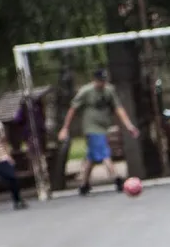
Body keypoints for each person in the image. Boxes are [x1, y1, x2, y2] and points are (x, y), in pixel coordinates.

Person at [57, 68, 140, 196]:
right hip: (91, 128)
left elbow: (118, 108)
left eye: (104, 81)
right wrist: (65, 128)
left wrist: (129, 125)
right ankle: (116, 178)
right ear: (94, 80)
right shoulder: (86, 91)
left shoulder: (109, 91)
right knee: (104, 152)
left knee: (92, 157)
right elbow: (72, 109)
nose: (102, 84)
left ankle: (84, 185)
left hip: (103, 127)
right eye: (100, 81)